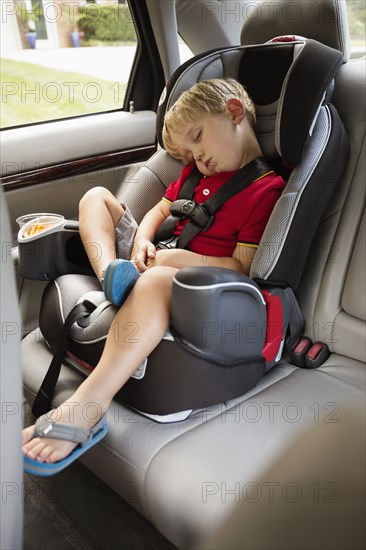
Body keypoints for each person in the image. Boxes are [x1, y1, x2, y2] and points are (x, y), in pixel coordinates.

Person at [22, 78, 286, 471]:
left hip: (200, 287)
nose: (198, 160)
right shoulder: (195, 174)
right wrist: (143, 240)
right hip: (154, 259)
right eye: (188, 155)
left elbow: (242, 269)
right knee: (95, 198)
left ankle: (88, 407)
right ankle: (112, 272)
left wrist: (178, 261)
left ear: (234, 112)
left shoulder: (265, 190)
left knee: (160, 278)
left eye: (199, 140)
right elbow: (160, 212)